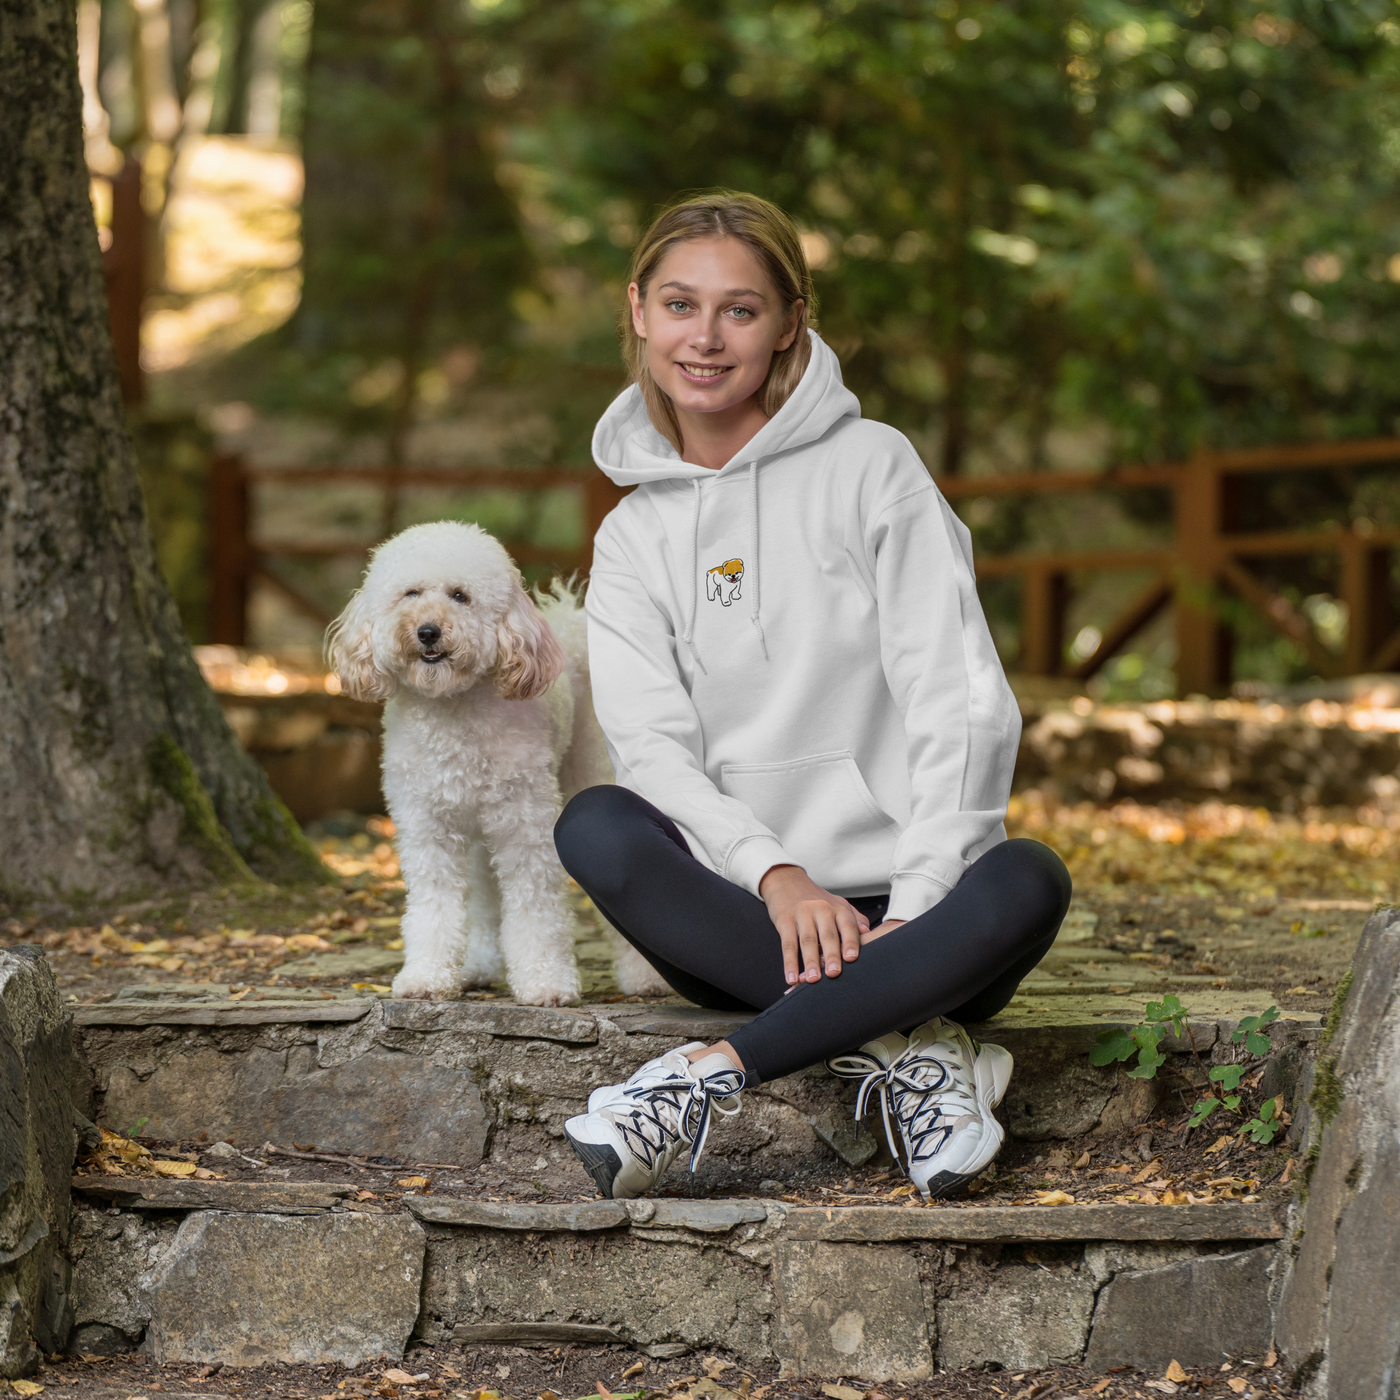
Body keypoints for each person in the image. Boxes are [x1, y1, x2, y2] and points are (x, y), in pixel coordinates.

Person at [553, 191, 1071, 1203]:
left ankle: (702, 1079)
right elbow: (653, 749)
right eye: (679, 304)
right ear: (637, 311)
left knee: (1026, 877)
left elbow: (956, 694)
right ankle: (918, 1049)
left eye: (739, 310)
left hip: (924, 910)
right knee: (598, 823)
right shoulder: (630, 536)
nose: (704, 338)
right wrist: (777, 874)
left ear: (791, 321)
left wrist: (916, 915)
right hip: (751, 921)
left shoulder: (871, 467)